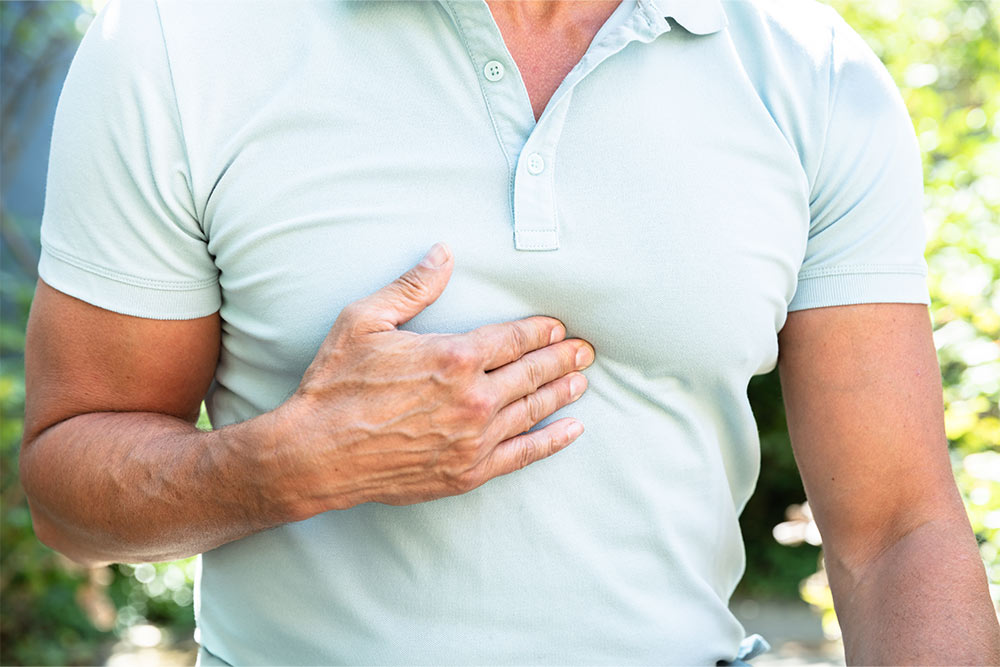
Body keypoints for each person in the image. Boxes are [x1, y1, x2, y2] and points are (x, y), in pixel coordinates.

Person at [20, 0, 999, 664]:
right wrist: (290, 463)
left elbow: (897, 531)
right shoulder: (179, 39)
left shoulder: (815, 74)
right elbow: (69, 487)